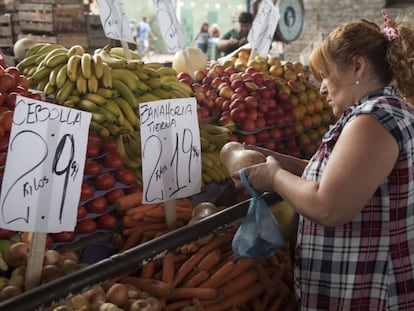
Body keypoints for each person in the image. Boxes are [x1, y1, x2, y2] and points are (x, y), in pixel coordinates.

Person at [232, 10, 414, 310]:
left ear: (357, 67)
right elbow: (344, 180)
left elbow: (328, 206)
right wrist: (278, 161)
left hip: (370, 294)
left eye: (326, 76)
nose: (321, 88)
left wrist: (275, 177)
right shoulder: (383, 112)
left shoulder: (373, 120)